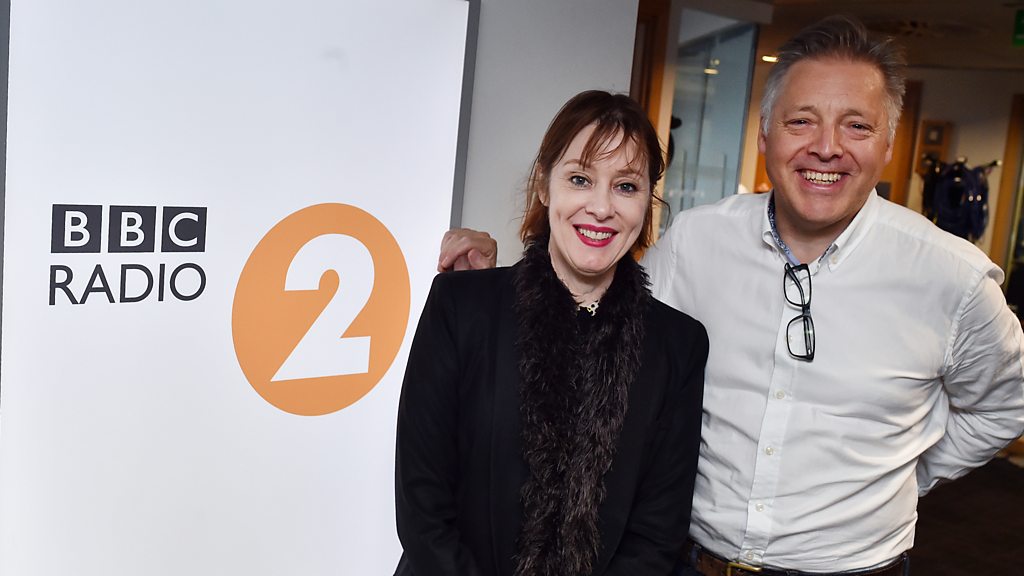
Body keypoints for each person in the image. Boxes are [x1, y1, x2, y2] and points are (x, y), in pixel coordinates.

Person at [437, 16, 1024, 576]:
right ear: (765, 134)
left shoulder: (952, 278)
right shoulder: (697, 241)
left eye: (857, 126)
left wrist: (903, 471)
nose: (826, 148)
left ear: (888, 142)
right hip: (688, 563)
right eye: (801, 121)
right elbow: (593, 319)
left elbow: (1006, 407)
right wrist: (501, 282)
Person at [395, 90, 709, 576]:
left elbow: (656, 534)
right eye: (580, 179)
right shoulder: (460, 307)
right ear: (545, 184)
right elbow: (423, 504)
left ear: (648, 201)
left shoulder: (678, 345)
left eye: (626, 186)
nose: (601, 208)